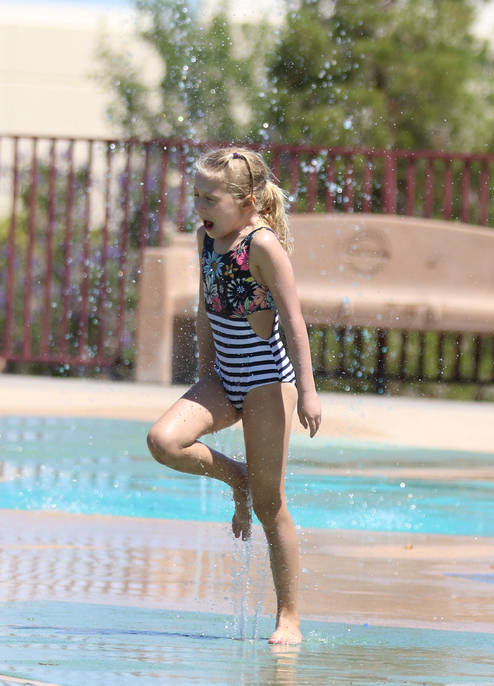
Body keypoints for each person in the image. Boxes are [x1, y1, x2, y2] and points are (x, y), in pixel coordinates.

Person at [146, 147, 322, 645]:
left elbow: (294, 320)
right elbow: (206, 313)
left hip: (269, 381)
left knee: (271, 505)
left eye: (210, 196)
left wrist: (307, 392)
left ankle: (289, 616)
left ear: (246, 202)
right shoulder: (205, 239)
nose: (199, 204)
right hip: (225, 378)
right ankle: (236, 479)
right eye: (196, 194)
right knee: (164, 441)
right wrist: (205, 376)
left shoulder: (262, 246)